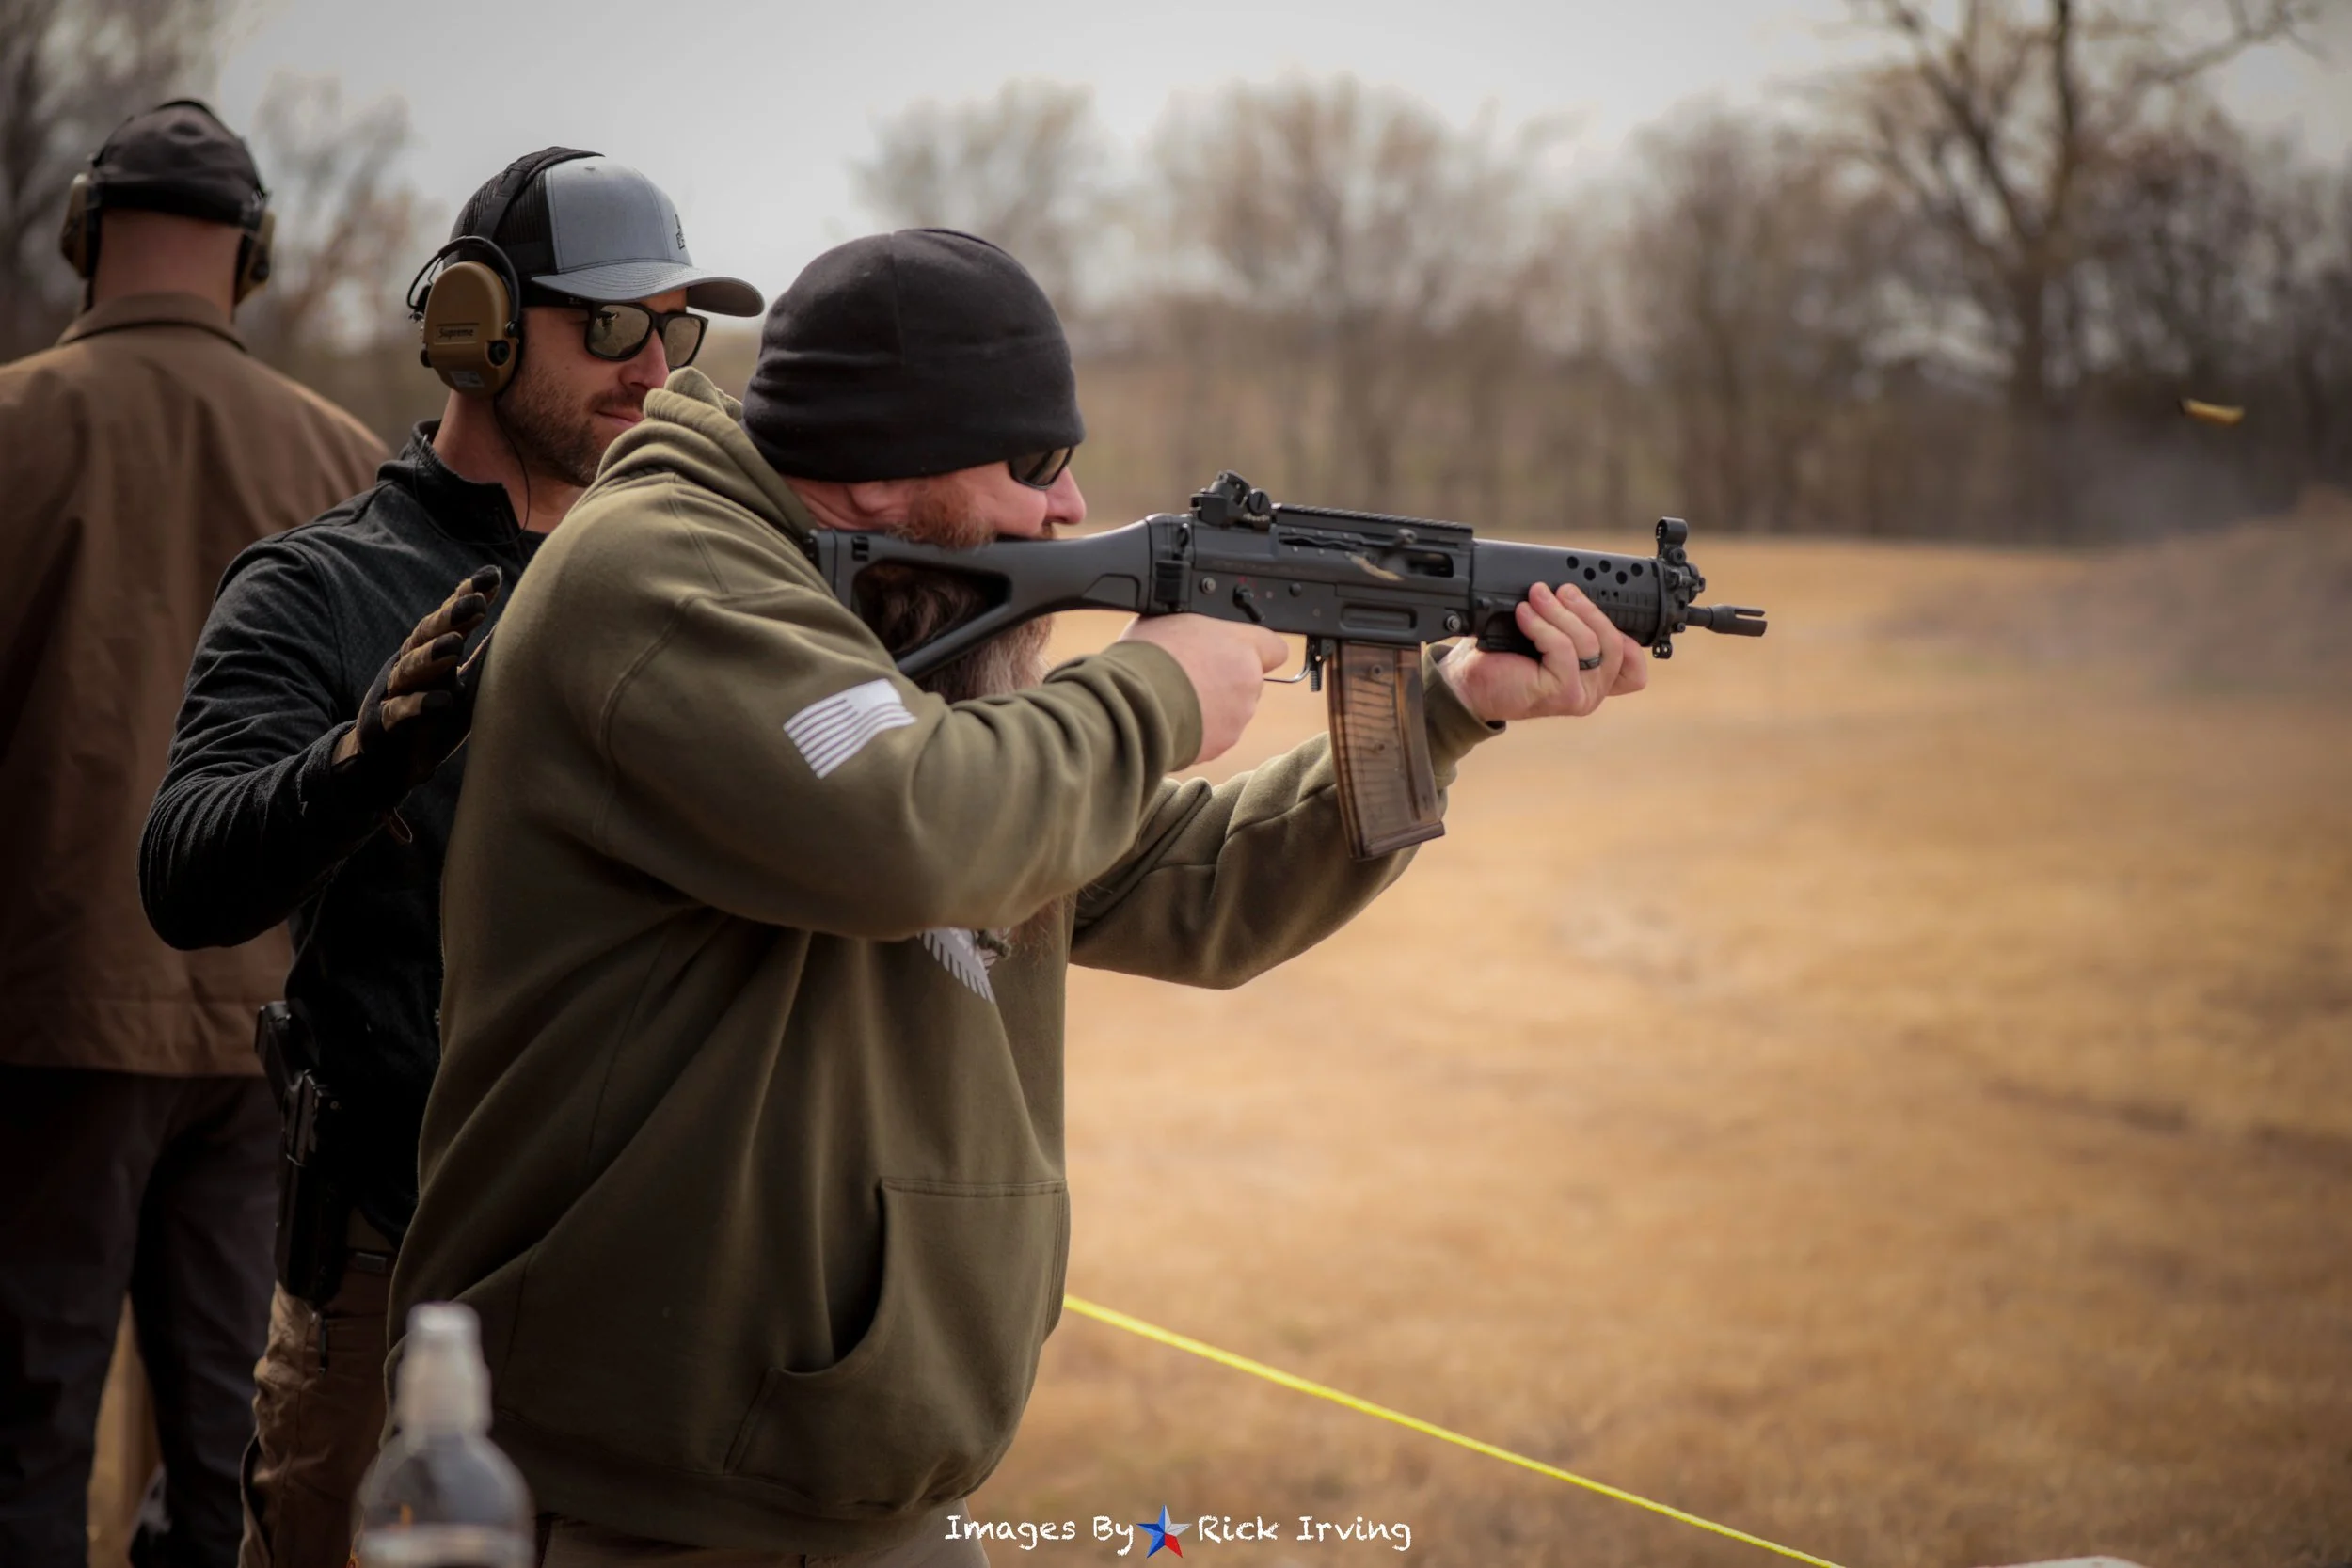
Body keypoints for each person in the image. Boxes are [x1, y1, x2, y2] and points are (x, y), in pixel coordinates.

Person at [389, 229, 1647, 1568]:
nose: (1067, 509)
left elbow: (1185, 883)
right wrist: (1160, 687)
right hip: (643, 1515)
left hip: (866, 1504)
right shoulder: (658, 577)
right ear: (874, 472)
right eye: (1035, 466)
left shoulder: (870, 629)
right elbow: (915, 827)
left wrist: (1449, 708)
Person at [137, 149, 761, 1568]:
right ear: (474, 325)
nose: (650, 367)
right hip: (392, 1291)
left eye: (675, 327)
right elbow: (185, 870)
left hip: (643, 1289)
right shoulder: (317, 585)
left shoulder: (693, 574)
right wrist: (364, 763)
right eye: (609, 325)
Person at [0, 101, 386, 1568]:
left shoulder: (11, 424)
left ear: (85, 240)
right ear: (254, 261)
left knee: (25, 1425)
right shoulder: (347, 458)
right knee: (229, 1430)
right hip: (263, 1036)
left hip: (40, 1029)